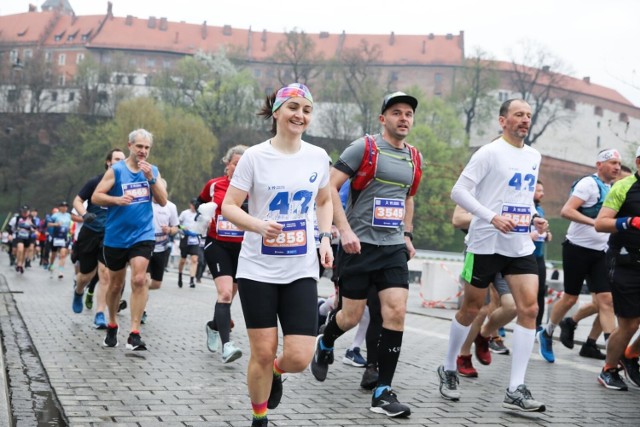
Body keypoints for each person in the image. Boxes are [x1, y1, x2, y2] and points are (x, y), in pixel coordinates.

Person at [221, 83, 333, 427]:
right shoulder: (255, 156)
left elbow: (325, 200)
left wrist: (325, 238)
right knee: (263, 349)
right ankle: (260, 417)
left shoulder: (317, 156)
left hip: (300, 267)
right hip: (258, 269)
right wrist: (257, 225)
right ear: (277, 113)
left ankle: (276, 372)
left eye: (306, 110)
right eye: (293, 108)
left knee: (299, 356)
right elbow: (229, 207)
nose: (300, 115)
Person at [311, 91, 423, 418]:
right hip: (357, 246)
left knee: (396, 313)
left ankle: (382, 391)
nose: (404, 118)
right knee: (350, 316)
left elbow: (408, 197)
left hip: (391, 249)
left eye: (408, 114)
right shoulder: (364, 148)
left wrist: (406, 234)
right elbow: (329, 188)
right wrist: (343, 230)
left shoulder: (414, 157)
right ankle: (326, 341)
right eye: (397, 113)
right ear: (383, 118)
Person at [438, 99, 548, 412]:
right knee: (472, 308)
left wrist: (532, 218)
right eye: (518, 115)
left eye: (528, 115)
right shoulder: (488, 152)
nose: (525, 120)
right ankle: (448, 367)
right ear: (503, 120)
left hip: (519, 245)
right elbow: (458, 192)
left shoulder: (533, 155)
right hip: (485, 243)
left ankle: (516, 387)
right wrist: (491, 217)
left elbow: (520, 197)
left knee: (529, 308)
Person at [538, 149, 620, 363]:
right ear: (599, 164)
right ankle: (547, 332)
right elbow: (566, 211)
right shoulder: (588, 184)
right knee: (570, 298)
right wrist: (596, 223)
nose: (617, 167)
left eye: (619, 163)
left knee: (607, 300)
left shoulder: (615, 187)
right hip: (577, 248)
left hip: (601, 253)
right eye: (612, 162)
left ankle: (613, 354)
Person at [92, 128, 168, 351]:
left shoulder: (152, 171)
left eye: (146, 147)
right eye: (139, 147)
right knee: (116, 285)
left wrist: (151, 179)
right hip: (116, 236)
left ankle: (134, 332)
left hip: (142, 235)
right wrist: (117, 200)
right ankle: (113, 323)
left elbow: (163, 201)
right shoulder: (116, 171)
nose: (143, 151)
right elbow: (96, 196)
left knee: (138, 279)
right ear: (130, 146)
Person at [594, 146, 640, 390]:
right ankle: (608, 369)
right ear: (639, 163)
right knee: (629, 324)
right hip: (624, 262)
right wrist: (629, 222)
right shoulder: (623, 187)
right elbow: (600, 224)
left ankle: (631, 353)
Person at [197, 144, 248, 363]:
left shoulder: (253, 189)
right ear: (227, 164)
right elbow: (198, 203)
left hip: (243, 248)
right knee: (225, 294)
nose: (239, 168)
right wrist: (203, 215)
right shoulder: (214, 185)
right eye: (236, 164)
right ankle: (227, 346)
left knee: (227, 298)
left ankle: (214, 326)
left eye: (244, 165)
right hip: (217, 244)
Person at [71, 148, 126, 330]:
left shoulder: (125, 183)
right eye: (117, 159)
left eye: (123, 160)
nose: (120, 162)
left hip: (110, 234)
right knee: (85, 275)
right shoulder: (95, 181)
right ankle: (79, 291)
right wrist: (84, 214)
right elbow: (77, 201)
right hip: (90, 232)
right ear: (108, 162)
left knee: (105, 275)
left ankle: (100, 313)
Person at [144, 178, 179, 324]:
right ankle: (141, 309)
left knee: (156, 284)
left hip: (162, 248)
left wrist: (170, 230)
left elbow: (176, 228)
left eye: (161, 190)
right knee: (144, 280)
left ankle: (139, 291)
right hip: (145, 246)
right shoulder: (145, 205)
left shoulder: (171, 207)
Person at [531, 180, 552, 330]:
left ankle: (537, 325)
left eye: (542, 190)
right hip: (524, 256)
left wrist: (547, 235)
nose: (542, 194)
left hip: (539, 257)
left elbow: (545, 231)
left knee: (540, 291)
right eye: (538, 190)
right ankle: (499, 326)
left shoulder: (540, 209)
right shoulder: (526, 208)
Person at [178, 199, 200, 288]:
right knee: (183, 260)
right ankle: (180, 275)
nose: (194, 207)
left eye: (196, 205)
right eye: (193, 205)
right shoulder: (184, 213)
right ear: (190, 205)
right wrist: (183, 227)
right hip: (185, 238)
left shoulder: (199, 215)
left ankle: (191, 280)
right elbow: (177, 224)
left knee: (194, 259)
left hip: (194, 239)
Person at [8, 205, 36, 274]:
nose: (25, 213)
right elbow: (9, 227)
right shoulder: (16, 218)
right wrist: (10, 234)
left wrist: (32, 226)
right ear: (21, 212)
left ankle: (20, 264)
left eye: (26, 212)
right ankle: (18, 262)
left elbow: (35, 228)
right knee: (20, 249)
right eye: (24, 212)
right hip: (19, 236)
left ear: (29, 212)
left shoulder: (31, 219)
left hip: (27, 237)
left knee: (24, 251)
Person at [49, 201, 73, 279]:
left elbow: (71, 225)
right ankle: (51, 265)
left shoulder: (69, 216)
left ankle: (60, 271)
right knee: (53, 254)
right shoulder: (55, 216)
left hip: (64, 237)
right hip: (56, 237)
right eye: (62, 206)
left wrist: (70, 230)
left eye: (66, 206)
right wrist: (56, 224)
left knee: (63, 254)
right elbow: (48, 224)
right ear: (59, 207)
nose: (64, 208)